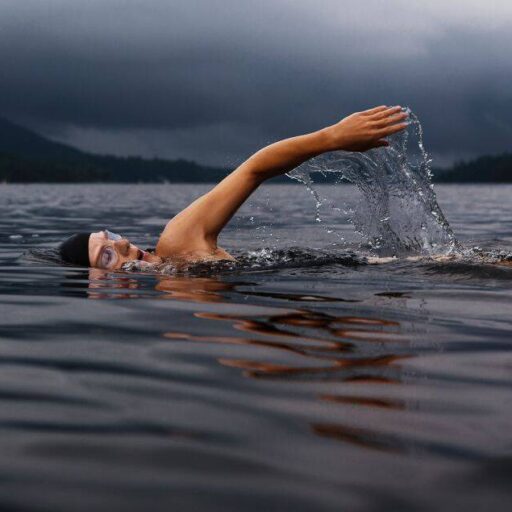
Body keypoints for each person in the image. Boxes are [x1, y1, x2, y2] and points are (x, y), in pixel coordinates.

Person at [59, 105, 408, 270]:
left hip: (385, 269)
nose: (121, 243)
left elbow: (253, 170)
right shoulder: (174, 298)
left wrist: (332, 137)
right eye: (106, 255)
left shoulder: (177, 244)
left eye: (110, 236)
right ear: (98, 285)